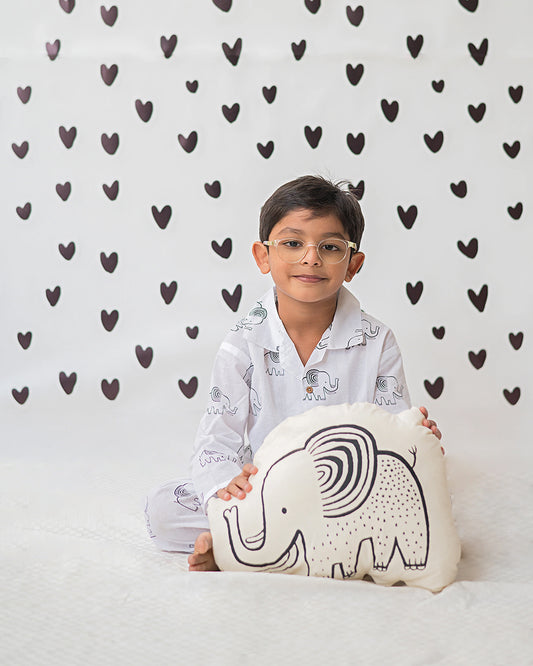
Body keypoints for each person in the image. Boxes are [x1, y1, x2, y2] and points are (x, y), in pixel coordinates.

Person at [144, 175, 442, 572]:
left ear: (353, 265)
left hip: (346, 493)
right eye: (292, 243)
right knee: (162, 510)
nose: (311, 258)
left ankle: (246, 546)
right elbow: (216, 440)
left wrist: (416, 437)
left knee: (425, 501)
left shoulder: (378, 341)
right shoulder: (242, 343)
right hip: (266, 491)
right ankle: (299, 546)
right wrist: (225, 485)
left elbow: (392, 432)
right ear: (263, 256)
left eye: (330, 247)